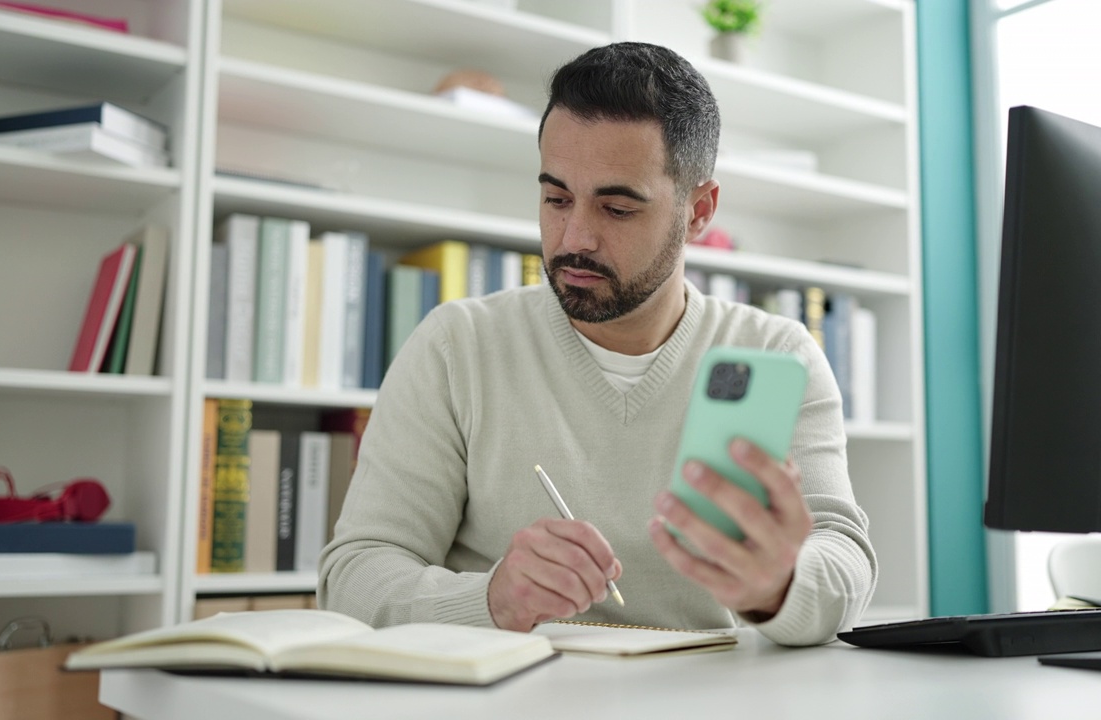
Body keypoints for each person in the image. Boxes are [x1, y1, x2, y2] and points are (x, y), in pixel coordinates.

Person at [318, 41, 877, 646]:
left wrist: (782, 586)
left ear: (698, 211)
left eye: (616, 207)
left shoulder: (778, 355)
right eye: (556, 198)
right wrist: (492, 599)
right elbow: (352, 576)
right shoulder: (458, 346)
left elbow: (844, 559)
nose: (574, 237)